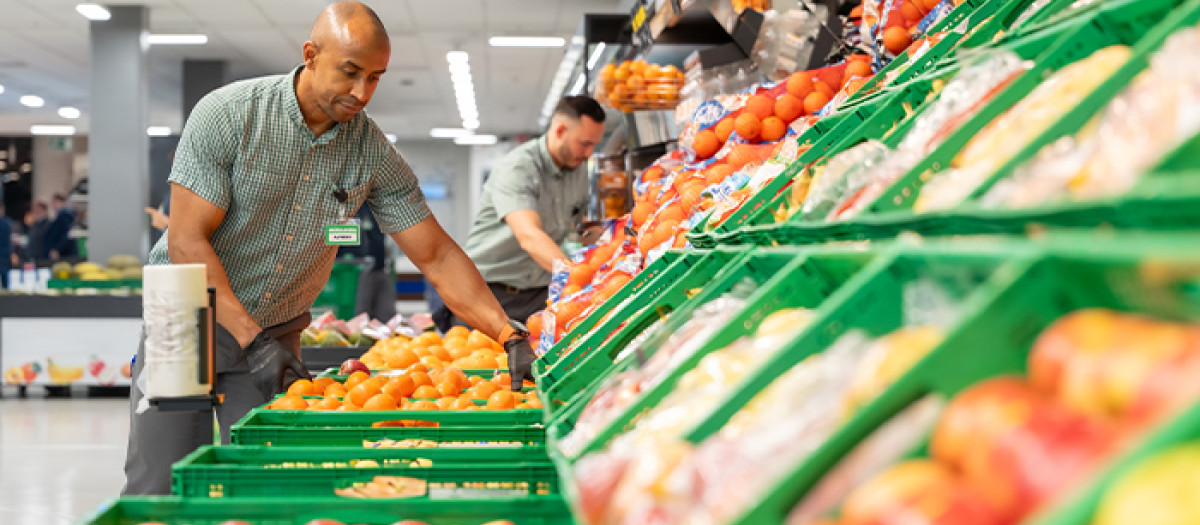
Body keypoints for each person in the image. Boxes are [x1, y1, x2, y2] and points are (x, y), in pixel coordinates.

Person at [122, 1, 537, 496]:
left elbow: (436, 255)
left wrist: (506, 334)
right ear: (311, 55)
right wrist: (252, 341)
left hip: (275, 331)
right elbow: (188, 241)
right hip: (185, 323)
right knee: (164, 480)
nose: (362, 93)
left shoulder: (372, 152)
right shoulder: (229, 115)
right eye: (351, 72)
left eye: (376, 78)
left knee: (269, 481)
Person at [434, 96, 606, 331]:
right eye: (585, 143)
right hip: (489, 294)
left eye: (594, 145)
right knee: (481, 363)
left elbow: (578, 225)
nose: (589, 153)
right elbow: (529, 236)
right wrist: (576, 275)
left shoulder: (577, 168)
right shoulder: (519, 168)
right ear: (560, 130)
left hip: (538, 293)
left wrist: (615, 242)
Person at [338, 204, 397, 322]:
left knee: (387, 315)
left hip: (381, 267)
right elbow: (336, 236)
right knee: (360, 315)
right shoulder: (347, 205)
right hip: (356, 270)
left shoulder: (375, 204)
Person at [44, 194, 77, 260]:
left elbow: (66, 235)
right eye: (53, 203)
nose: (54, 205)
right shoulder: (61, 217)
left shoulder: (65, 217)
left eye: (56, 202)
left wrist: (57, 249)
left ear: (63, 203)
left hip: (64, 255)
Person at [0, 204, 11, 289]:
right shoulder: (7, 222)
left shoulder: (5, 222)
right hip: (5, 254)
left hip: (4, 253)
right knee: (5, 278)